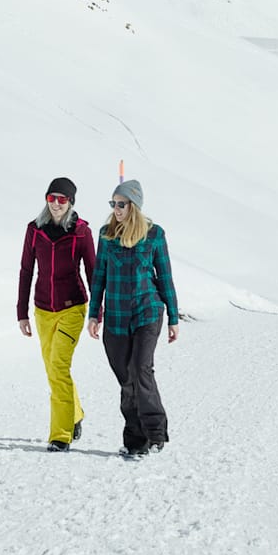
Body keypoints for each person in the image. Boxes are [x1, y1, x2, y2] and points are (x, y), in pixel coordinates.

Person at [87, 179, 179, 458]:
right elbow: (99, 277)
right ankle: (134, 439)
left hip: (147, 312)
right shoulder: (106, 235)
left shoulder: (154, 235)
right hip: (115, 317)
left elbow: (164, 277)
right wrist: (94, 314)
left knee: (141, 369)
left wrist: (173, 318)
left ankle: (155, 433)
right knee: (126, 380)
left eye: (121, 203)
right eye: (113, 203)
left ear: (134, 205)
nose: (116, 208)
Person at [17, 177, 96, 451]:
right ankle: (75, 413)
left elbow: (93, 272)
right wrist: (22, 312)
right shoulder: (35, 230)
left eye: (63, 199)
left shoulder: (81, 232)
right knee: (52, 369)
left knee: (59, 368)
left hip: (72, 308)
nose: (57, 204)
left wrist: (97, 312)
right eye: (52, 198)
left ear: (71, 202)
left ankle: (60, 435)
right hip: (42, 310)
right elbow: (26, 270)